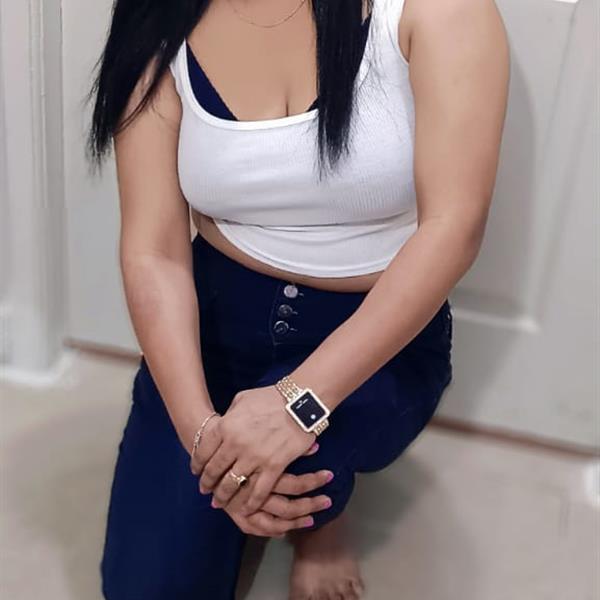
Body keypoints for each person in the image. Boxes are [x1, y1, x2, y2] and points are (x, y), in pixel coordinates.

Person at [85, 0, 509, 598]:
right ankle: (281, 498)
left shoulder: (436, 10)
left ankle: (321, 522)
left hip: (374, 331)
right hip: (218, 317)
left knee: (295, 465)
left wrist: (297, 404)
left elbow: (455, 226)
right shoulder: (158, 15)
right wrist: (201, 435)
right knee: (149, 588)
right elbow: (153, 251)